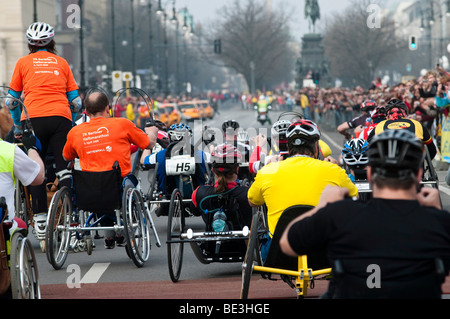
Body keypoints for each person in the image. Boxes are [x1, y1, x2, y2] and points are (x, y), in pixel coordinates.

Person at [280, 129, 449, 299]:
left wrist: (323, 206)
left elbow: (288, 243)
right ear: (418, 174)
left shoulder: (340, 215)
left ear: (369, 173)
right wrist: (434, 212)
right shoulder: (439, 223)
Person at [5, 22, 82, 241]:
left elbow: (11, 101)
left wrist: (18, 127)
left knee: (36, 170)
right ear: (52, 42)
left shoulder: (23, 63)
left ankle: (39, 219)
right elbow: (76, 102)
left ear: (29, 44)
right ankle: (71, 220)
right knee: (64, 169)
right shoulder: (62, 62)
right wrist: (71, 121)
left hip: (34, 120)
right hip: (61, 119)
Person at [247, 119, 358, 259]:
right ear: (316, 146)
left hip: (278, 252)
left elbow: (252, 201)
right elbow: (355, 197)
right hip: (323, 251)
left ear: (288, 146)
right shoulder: (333, 170)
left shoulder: (268, 171)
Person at [63, 91, 157, 248]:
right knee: (129, 182)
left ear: (85, 111)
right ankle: (126, 226)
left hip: (87, 189)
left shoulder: (75, 132)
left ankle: (108, 232)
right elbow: (148, 144)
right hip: (117, 187)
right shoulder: (122, 124)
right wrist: (152, 133)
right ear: (108, 108)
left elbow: (66, 156)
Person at [140, 122, 208, 201]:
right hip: (198, 197)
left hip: (167, 198)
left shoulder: (161, 155)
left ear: (169, 138)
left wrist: (148, 142)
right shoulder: (199, 154)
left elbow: (143, 160)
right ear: (189, 137)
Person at [191, 144, 252, 231]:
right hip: (244, 244)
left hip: (210, 243)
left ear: (213, 170)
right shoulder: (249, 194)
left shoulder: (198, 193)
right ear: (237, 169)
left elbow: (195, 212)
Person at [0, 134, 45, 235]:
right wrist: (32, 148)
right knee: (20, 224)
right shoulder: (7, 150)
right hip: (4, 231)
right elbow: (38, 177)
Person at [368, 98, 437, 160]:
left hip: (388, 162)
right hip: (413, 161)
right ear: (405, 114)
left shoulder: (380, 125)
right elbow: (431, 149)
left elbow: (368, 145)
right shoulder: (417, 123)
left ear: (387, 115)